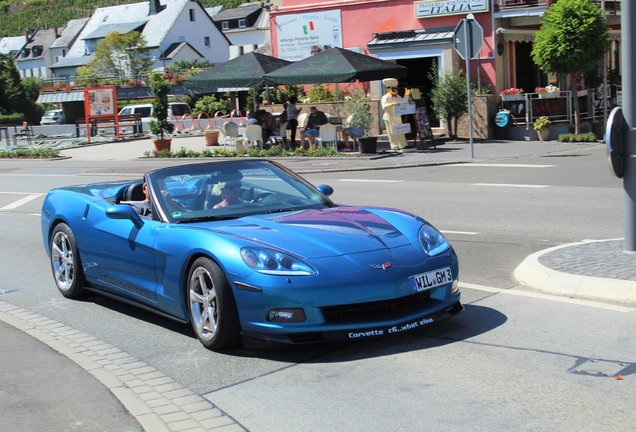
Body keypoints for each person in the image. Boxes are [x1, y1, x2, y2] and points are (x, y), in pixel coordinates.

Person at [380, 78, 412, 151]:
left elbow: (403, 102)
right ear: (388, 89)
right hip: (390, 116)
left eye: (395, 88)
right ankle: (394, 145)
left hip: (398, 116)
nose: (395, 90)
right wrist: (391, 104)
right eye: (393, 88)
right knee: (392, 132)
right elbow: (384, 106)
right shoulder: (385, 97)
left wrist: (406, 95)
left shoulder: (398, 97)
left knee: (401, 131)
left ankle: (403, 144)